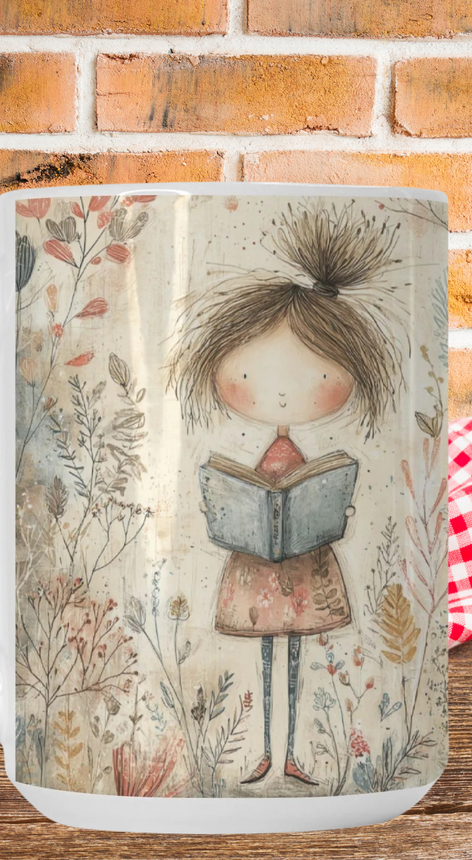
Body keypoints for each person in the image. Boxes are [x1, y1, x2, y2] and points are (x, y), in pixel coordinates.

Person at [168, 200, 406, 786]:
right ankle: (266, 754)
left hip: (303, 568)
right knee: (268, 655)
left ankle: (292, 754)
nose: (278, 394)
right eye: (251, 375)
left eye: (313, 377)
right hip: (258, 566)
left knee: (295, 656)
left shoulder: (300, 455)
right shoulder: (267, 452)